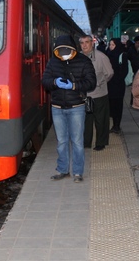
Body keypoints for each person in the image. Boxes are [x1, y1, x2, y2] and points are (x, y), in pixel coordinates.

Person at [41, 35, 96, 183]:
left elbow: (91, 83)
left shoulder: (84, 61)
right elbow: (45, 80)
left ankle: (77, 172)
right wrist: (54, 82)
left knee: (77, 141)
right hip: (57, 107)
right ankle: (62, 169)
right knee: (61, 141)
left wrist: (73, 85)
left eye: (67, 49)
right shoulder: (53, 62)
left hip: (76, 106)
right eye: (60, 50)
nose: (64, 52)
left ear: (73, 49)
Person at [79, 35, 113, 151]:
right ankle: (86, 142)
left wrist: (99, 83)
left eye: (87, 42)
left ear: (92, 43)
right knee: (85, 120)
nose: (84, 45)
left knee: (101, 119)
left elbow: (109, 73)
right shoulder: (77, 57)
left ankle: (101, 142)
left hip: (99, 94)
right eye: (82, 43)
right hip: (83, 95)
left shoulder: (101, 57)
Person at [105, 38, 129, 134]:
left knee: (118, 105)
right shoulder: (107, 55)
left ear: (117, 45)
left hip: (118, 85)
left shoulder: (122, 55)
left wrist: (117, 79)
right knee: (111, 105)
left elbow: (124, 70)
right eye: (110, 44)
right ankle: (114, 124)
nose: (111, 47)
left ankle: (117, 125)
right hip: (109, 84)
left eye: (113, 45)